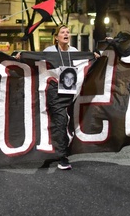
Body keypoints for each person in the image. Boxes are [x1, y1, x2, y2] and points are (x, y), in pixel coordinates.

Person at [42, 25, 78, 170]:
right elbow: (36, 62)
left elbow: (86, 63)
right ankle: (62, 157)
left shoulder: (75, 52)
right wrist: (22, 56)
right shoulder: (48, 51)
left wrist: (94, 57)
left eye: (68, 32)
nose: (66, 34)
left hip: (71, 93)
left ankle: (57, 150)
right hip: (55, 92)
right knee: (60, 121)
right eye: (62, 32)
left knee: (66, 123)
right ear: (56, 37)